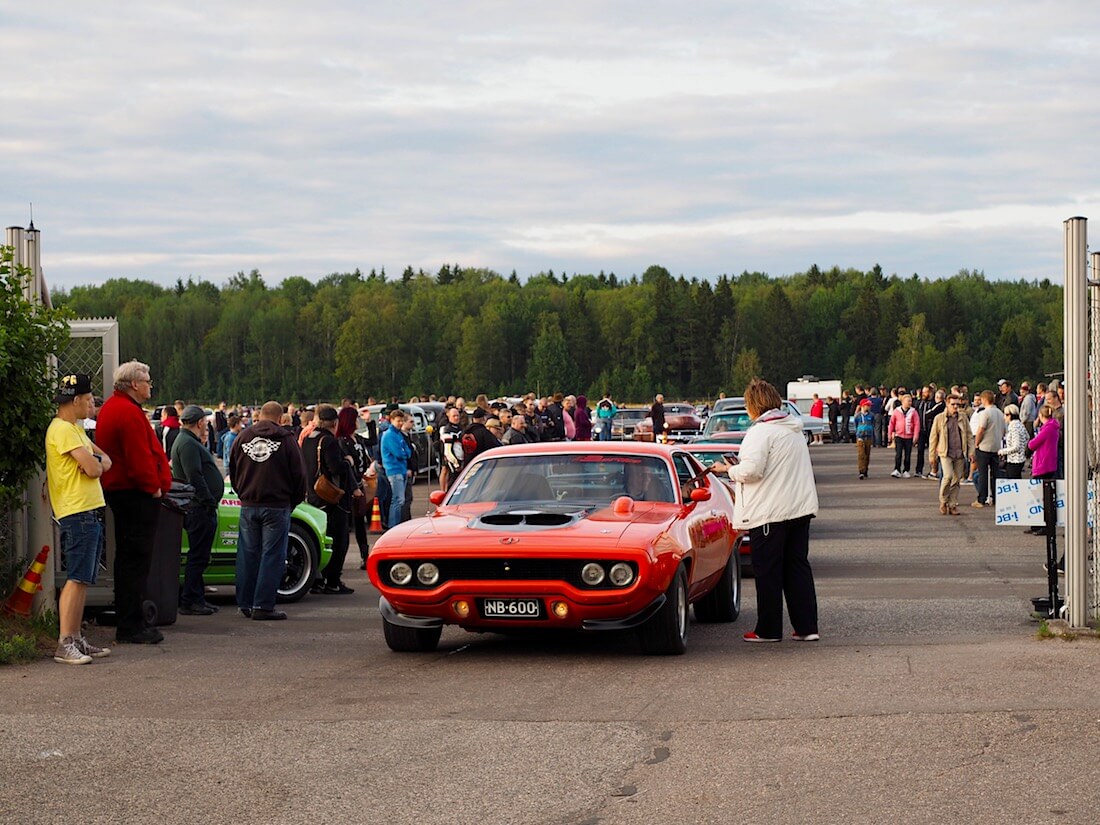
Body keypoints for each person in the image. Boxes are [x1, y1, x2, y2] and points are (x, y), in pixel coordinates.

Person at [710, 379, 819, 644]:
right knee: (797, 567)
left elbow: (751, 471)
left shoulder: (761, 432)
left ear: (753, 406)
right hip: (799, 508)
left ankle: (768, 628)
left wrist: (728, 470)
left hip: (771, 512)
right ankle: (806, 626)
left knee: (768, 571)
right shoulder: (793, 429)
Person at [97, 360, 173, 645]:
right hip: (135, 494)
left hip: (126, 492)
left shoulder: (116, 409)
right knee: (135, 560)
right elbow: (138, 456)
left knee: (129, 559)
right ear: (133, 384)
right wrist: (153, 486)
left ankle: (129, 619)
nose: (150, 386)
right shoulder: (127, 413)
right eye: (147, 381)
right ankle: (131, 625)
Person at [45, 373, 113, 664]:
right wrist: (95, 464)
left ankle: (74, 637)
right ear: (75, 400)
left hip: (86, 510)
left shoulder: (75, 430)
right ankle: (65, 641)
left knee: (83, 578)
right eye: (87, 401)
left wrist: (95, 463)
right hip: (77, 511)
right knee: (76, 578)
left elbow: (103, 459)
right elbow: (96, 467)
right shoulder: (63, 430)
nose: (90, 406)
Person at [229, 401, 307, 620]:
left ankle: (245, 603)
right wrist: (294, 501)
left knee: (247, 554)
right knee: (272, 555)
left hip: (249, 504)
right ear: (281, 418)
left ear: (259, 415)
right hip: (277, 504)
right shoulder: (287, 440)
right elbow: (299, 475)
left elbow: (233, 469)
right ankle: (263, 605)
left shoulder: (242, 437)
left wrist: (243, 493)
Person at [169, 404, 225, 615]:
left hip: (199, 506)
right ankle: (191, 600)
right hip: (199, 508)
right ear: (200, 422)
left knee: (200, 555)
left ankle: (197, 597)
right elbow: (195, 475)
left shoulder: (186, 441)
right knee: (198, 556)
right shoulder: (188, 444)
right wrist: (209, 501)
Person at [303, 405, 356, 594]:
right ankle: (333, 581)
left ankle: (317, 580)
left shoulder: (308, 438)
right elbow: (334, 468)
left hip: (312, 494)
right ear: (335, 422)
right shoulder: (329, 441)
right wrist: (348, 462)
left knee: (319, 539)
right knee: (338, 539)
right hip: (330, 496)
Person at [928, 396, 974, 516]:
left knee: (956, 480)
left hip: (959, 453)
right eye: (953, 404)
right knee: (947, 476)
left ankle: (952, 504)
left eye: (958, 405)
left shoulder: (963, 418)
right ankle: (943, 501)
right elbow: (933, 438)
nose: (956, 407)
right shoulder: (939, 418)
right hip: (945, 452)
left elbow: (969, 435)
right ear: (947, 404)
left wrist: (971, 451)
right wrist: (932, 456)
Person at [971, 390, 1006, 508]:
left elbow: (981, 430)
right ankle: (996, 498)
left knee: (983, 473)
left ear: (984, 400)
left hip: (984, 446)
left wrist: (976, 443)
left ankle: (982, 498)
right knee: (996, 473)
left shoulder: (985, 413)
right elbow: (1004, 430)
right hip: (996, 446)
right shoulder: (1000, 413)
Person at [381, 408, 414, 530]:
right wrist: (404, 453)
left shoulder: (397, 434)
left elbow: (408, 451)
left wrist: (404, 452)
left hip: (401, 469)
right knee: (398, 500)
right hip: (394, 470)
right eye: (398, 421)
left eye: (402, 421)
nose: (400, 423)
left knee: (400, 499)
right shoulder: (390, 435)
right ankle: (393, 526)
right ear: (392, 420)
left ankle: (395, 525)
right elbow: (399, 453)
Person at [888, 393, 920, 478]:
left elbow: (917, 424)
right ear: (903, 402)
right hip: (899, 435)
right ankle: (897, 469)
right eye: (908, 401)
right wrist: (890, 434)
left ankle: (906, 470)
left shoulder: (913, 412)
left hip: (909, 437)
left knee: (908, 455)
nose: (910, 403)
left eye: (910, 401)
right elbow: (891, 423)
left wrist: (916, 435)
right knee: (898, 454)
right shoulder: (896, 411)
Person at [998, 404, 1028, 479]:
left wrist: (1002, 451)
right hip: (1019, 458)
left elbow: (1016, 446)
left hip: (1015, 460)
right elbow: (1027, 437)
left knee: (1013, 481)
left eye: (1005, 415)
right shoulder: (1020, 424)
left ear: (1010, 415)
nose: (1004, 417)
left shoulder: (1014, 426)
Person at [439, 405, 465, 489]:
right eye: (454, 416)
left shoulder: (461, 427)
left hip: (461, 458)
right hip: (452, 458)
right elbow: (447, 451)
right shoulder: (447, 429)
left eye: (457, 415)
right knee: (449, 477)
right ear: (449, 416)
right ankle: (444, 493)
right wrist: (456, 464)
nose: (456, 418)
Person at [853, 398, 874, 479]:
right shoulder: (858, 416)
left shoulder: (871, 415)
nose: (869, 407)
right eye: (867, 406)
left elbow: (873, 424)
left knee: (867, 454)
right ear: (863, 406)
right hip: (860, 437)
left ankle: (865, 470)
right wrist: (857, 434)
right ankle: (861, 471)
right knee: (861, 454)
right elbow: (856, 425)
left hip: (868, 437)